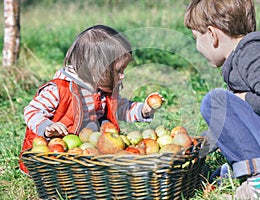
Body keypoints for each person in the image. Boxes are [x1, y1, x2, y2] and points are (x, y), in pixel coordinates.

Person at [184, 0, 260, 199]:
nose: (196, 46)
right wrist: (197, 144)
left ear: (212, 35)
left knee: (215, 100)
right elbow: (244, 121)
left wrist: (244, 97)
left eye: (196, 37)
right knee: (219, 176)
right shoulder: (247, 55)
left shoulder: (252, 53)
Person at [19, 24, 162, 174]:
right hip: (54, 155)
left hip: (84, 153)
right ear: (96, 68)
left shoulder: (102, 89)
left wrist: (144, 110)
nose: (123, 76)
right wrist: (46, 127)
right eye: (118, 71)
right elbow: (31, 111)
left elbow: (121, 107)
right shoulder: (58, 90)